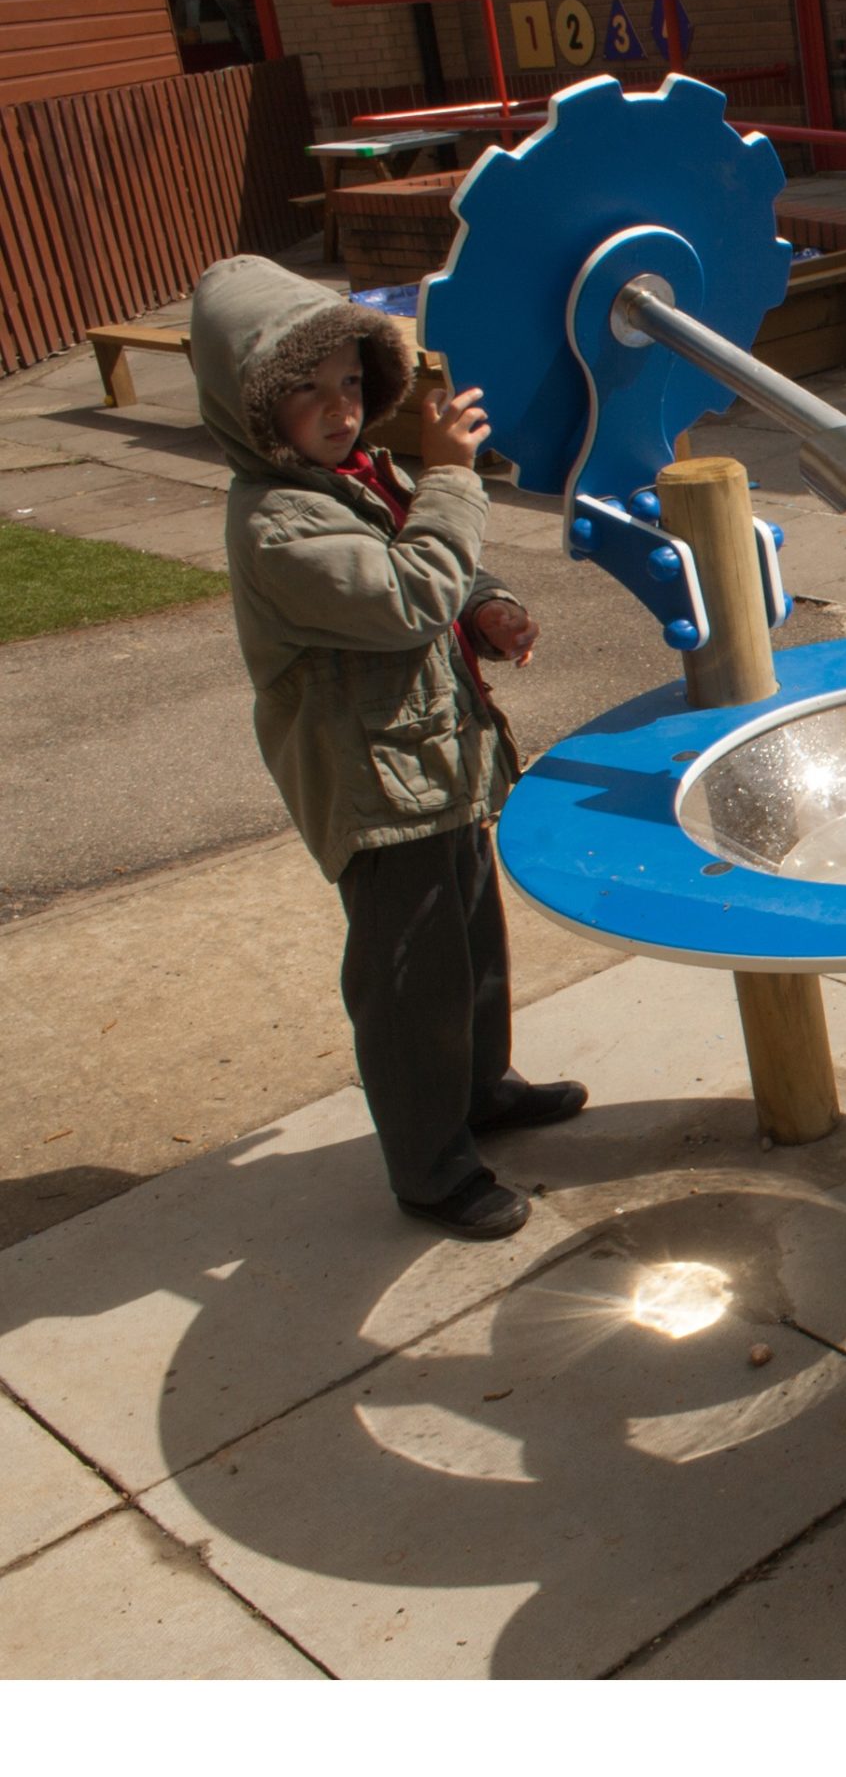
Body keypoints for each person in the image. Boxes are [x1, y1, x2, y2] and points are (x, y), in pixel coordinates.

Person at [193, 255, 585, 1241]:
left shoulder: (358, 474)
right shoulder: (277, 526)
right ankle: (432, 1169)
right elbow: (406, 593)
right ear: (249, 411)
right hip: (374, 787)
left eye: (351, 385)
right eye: (307, 393)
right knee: (409, 982)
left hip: (430, 763)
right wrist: (454, 477)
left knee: (469, 946)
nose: (339, 410)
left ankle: (480, 1088)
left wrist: (487, 599)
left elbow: (432, 562)